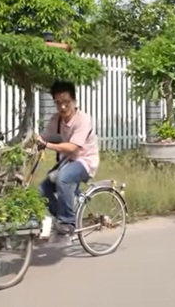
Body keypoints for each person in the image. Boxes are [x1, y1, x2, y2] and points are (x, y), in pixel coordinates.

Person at [38, 81, 99, 235]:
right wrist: (33, 140)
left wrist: (46, 145)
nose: (62, 107)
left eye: (66, 102)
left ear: (74, 101)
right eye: (58, 103)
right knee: (41, 189)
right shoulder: (56, 120)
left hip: (85, 161)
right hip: (66, 162)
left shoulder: (83, 120)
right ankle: (59, 217)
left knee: (63, 179)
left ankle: (68, 222)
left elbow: (73, 148)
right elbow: (46, 137)